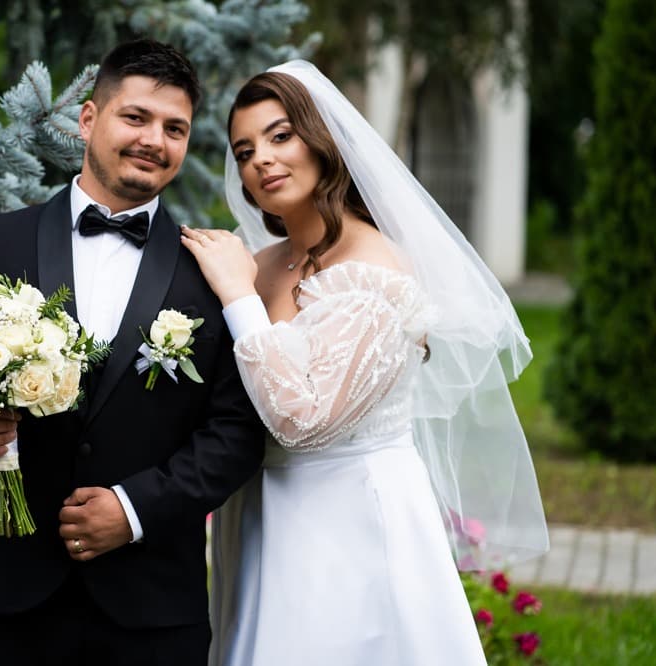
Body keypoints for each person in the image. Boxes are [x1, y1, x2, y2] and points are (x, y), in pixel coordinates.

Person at [0, 39, 265, 666]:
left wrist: (134, 510)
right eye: (136, 117)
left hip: (152, 607)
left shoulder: (214, 268)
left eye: (174, 128)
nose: (155, 139)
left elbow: (235, 431)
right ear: (89, 119)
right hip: (10, 601)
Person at [180, 61, 549, 665]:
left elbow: (303, 418)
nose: (261, 160)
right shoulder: (263, 262)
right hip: (256, 515)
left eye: (280, 136)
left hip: (346, 520)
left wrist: (238, 298)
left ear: (321, 140)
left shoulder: (374, 271)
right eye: (245, 150)